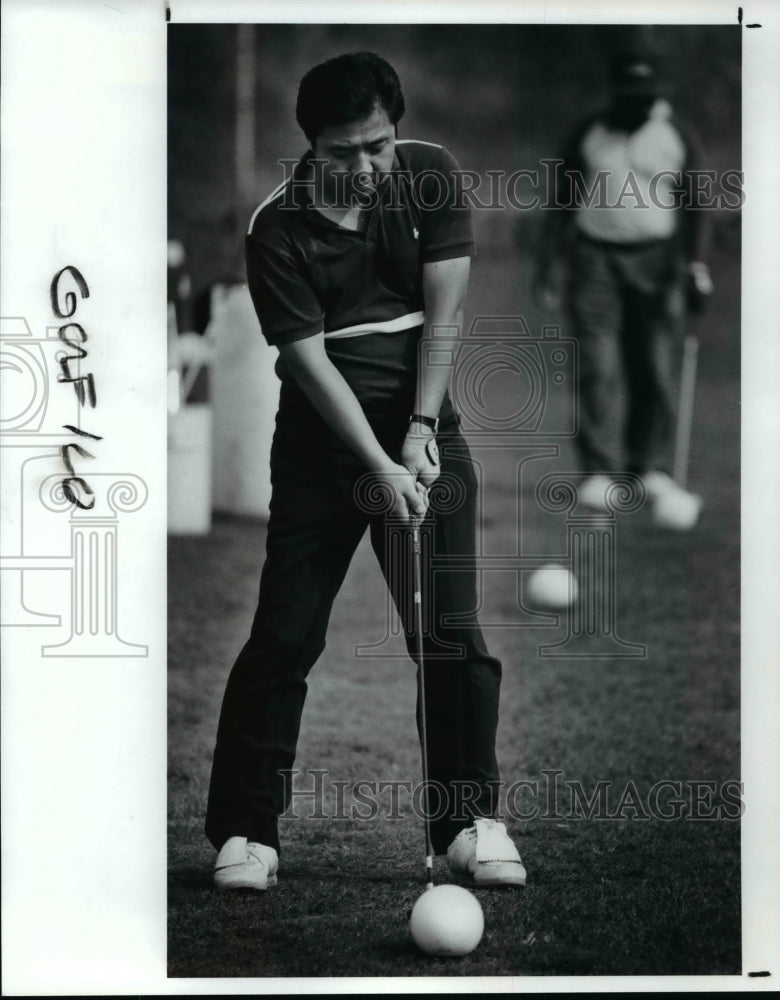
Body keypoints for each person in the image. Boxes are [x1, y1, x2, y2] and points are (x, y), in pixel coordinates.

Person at [205, 52, 526, 892]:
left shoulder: (430, 176)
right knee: (286, 634)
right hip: (321, 451)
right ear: (310, 144)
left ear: (397, 128)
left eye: (378, 144)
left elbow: (444, 317)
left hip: (425, 435)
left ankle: (467, 824)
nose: (366, 166)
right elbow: (311, 368)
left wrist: (419, 432)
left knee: (450, 634)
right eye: (344, 151)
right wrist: (378, 466)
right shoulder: (276, 229)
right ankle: (246, 832)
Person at [533, 50, 713, 523]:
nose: (638, 105)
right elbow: (562, 202)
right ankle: (598, 472)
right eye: (629, 96)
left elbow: (697, 207)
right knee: (597, 365)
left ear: (657, 96)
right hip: (595, 260)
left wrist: (696, 266)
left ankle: (646, 468)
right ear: (615, 94)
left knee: (653, 365)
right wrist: (550, 265)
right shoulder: (590, 131)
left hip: (659, 263)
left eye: (646, 97)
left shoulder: (675, 135)